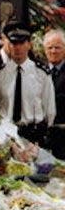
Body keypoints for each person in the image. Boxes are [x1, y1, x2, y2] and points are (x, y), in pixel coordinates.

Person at [0, 20, 55, 146]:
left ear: (29, 45)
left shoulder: (41, 74)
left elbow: (49, 110)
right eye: (14, 43)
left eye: (21, 43)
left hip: (34, 135)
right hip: (8, 135)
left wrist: (41, 132)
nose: (17, 47)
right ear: (9, 45)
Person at [44, 28, 65, 158]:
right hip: (42, 135)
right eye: (50, 47)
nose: (53, 51)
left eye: (58, 47)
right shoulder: (38, 71)